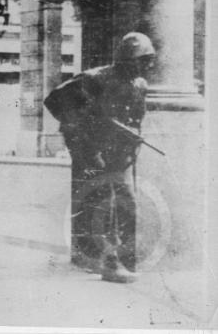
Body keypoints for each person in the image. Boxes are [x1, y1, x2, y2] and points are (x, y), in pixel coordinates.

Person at [44, 32, 155, 283]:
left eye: (150, 59)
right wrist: (85, 133)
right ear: (127, 59)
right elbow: (55, 101)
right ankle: (109, 262)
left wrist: (134, 139)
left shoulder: (140, 84)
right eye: (143, 59)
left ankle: (123, 258)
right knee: (104, 204)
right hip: (93, 150)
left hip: (120, 153)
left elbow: (136, 119)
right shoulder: (96, 78)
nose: (148, 65)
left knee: (128, 203)